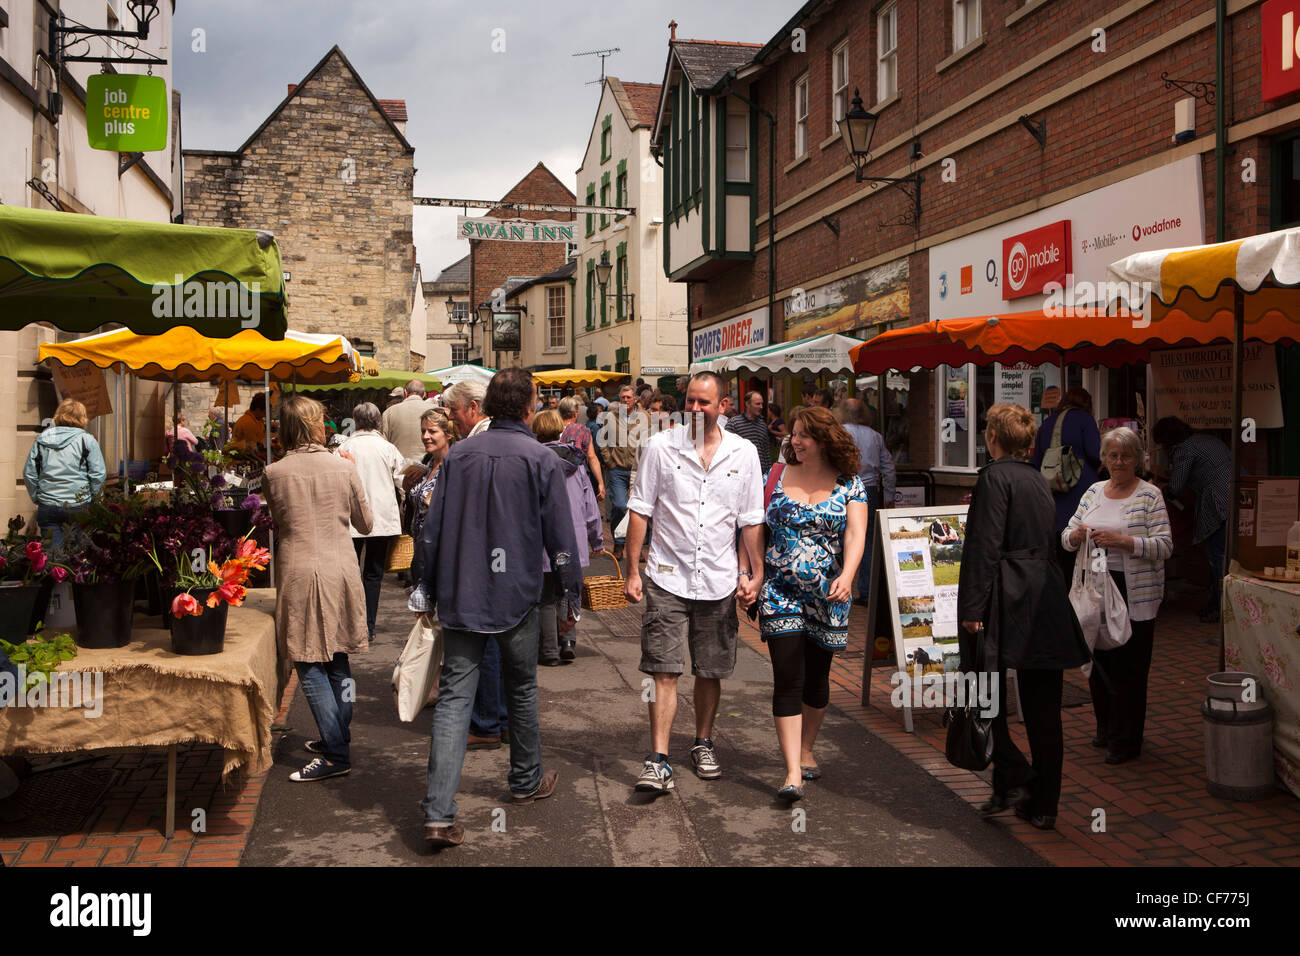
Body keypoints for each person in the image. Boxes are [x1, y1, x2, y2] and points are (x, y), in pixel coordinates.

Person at [415, 368, 582, 848]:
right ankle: (526, 781)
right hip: (518, 594)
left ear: (488, 405)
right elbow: (561, 537)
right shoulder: (539, 458)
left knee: (453, 700)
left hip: (463, 591)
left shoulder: (459, 456)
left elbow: (433, 529)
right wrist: (571, 593)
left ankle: (438, 813)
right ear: (530, 408)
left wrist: (425, 586)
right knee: (522, 688)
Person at [623, 371, 764, 793]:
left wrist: (754, 573)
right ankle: (659, 758)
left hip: (719, 579)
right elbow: (640, 510)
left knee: (710, 670)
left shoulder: (744, 453)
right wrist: (633, 569)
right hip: (667, 575)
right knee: (664, 670)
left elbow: (751, 520)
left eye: (705, 402)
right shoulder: (660, 447)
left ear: (724, 407)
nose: (696, 409)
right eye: (691, 402)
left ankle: (703, 741)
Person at [958, 404, 1089, 830]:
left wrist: (972, 610)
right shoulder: (1036, 477)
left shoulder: (994, 477)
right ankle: (1038, 801)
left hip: (1006, 594)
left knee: (985, 694)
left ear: (992, 438)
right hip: (1044, 591)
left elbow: (984, 546)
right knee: (1043, 708)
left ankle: (1017, 776)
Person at [745, 406, 867, 799]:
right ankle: (792, 771)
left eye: (803, 435)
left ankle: (807, 748)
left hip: (828, 595)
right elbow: (755, 529)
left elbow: (855, 536)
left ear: (824, 440)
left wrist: (847, 576)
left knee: (816, 679)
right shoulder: (775, 476)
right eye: (793, 434)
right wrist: (754, 574)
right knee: (787, 676)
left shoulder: (850, 483)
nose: (794, 441)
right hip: (780, 591)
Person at [263, 395, 374, 782]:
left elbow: (279, 521)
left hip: (298, 569)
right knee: (338, 656)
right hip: (339, 567)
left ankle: (336, 750)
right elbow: (366, 523)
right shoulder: (343, 468)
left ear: (285, 428)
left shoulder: (274, 472)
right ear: (317, 424)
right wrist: (351, 476)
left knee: (308, 659)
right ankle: (336, 738)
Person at [1063, 426, 1172, 766]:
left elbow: (1165, 546)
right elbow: (1065, 536)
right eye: (1113, 455)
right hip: (1097, 588)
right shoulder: (1094, 491)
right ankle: (1105, 728)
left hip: (1134, 591)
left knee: (1130, 667)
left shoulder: (1149, 495)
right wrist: (1077, 535)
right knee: (1099, 663)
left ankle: (1127, 740)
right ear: (1105, 459)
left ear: (1137, 459)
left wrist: (1125, 542)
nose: (1119, 461)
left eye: (1126, 456)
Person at [532, 409, 603, 665]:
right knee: (568, 590)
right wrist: (596, 540)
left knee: (545, 597)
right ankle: (568, 642)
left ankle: (549, 650)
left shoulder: (532, 463)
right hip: (573, 537)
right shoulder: (577, 464)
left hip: (542, 538)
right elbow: (590, 507)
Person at [335, 402, 405, 642]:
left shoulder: (344, 447)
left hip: (350, 518)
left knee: (350, 572)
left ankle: (350, 624)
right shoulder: (387, 448)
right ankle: (368, 626)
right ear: (377, 421)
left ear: (355, 420)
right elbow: (402, 481)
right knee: (373, 574)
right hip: (380, 519)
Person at [1152, 416, 1230, 623]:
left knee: (1217, 557)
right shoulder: (1207, 440)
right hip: (1236, 497)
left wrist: (1159, 487)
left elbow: (1176, 488)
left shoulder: (1184, 449)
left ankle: (1220, 608)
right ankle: (1220, 603)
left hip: (1217, 502)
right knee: (1227, 556)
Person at [1032, 388, 1102, 586]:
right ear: (1087, 404)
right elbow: (1096, 453)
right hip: (1082, 489)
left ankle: (1063, 595)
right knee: (1088, 547)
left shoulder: (1046, 423)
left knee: (1061, 553)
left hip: (1054, 495)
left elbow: (1037, 461)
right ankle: (1089, 590)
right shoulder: (1085, 420)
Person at [837, 398, 897, 606]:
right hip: (869, 491)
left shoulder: (840, 432)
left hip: (842, 488)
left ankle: (837, 583)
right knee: (867, 539)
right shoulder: (875, 436)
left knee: (837, 537)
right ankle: (866, 589)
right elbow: (888, 468)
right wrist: (889, 496)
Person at [23, 398, 106, 547]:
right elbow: (98, 474)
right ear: (82, 418)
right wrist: (92, 499)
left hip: (48, 504)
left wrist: (38, 497)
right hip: (79, 504)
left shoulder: (42, 439)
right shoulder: (87, 440)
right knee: (79, 558)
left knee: (54, 558)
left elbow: (29, 473)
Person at [600, 384, 648, 561]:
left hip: (639, 470)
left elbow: (651, 439)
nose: (626, 400)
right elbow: (602, 441)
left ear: (635, 399)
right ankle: (619, 543)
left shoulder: (645, 417)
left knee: (639, 509)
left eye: (629, 397)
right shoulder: (611, 417)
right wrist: (609, 460)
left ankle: (638, 547)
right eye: (623, 397)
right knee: (620, 506)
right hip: (618, 470)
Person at [558, 396, 606, 501]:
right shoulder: (582, 431)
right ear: (575, 413)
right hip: (576, 476)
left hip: (557, 476)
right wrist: (601, 482)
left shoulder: (552, 428)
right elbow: (591, 457)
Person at [382, 380, 436, 460]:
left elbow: (384, 443)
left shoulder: (389, 412)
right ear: (424, 394)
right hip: (428, 466)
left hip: (398, 466)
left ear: (405, 392)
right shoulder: (435, 410)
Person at [727, 389, 773, 475]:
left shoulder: (762, 424)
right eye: (757, 404)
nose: (761, 407)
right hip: (742, 474)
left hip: (762, 475)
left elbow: (766, 452)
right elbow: (727, 451)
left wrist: (769, 473)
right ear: (748, 404)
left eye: (762, 404)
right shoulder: (734, 423)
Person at [229, 392, 268, 459]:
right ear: (258, 410)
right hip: (241, 459)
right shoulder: (248, 423)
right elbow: (254, 446)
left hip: (247, 456)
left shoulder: (258, 420)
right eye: (264, 412)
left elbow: (262, 439)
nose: (265, 415)